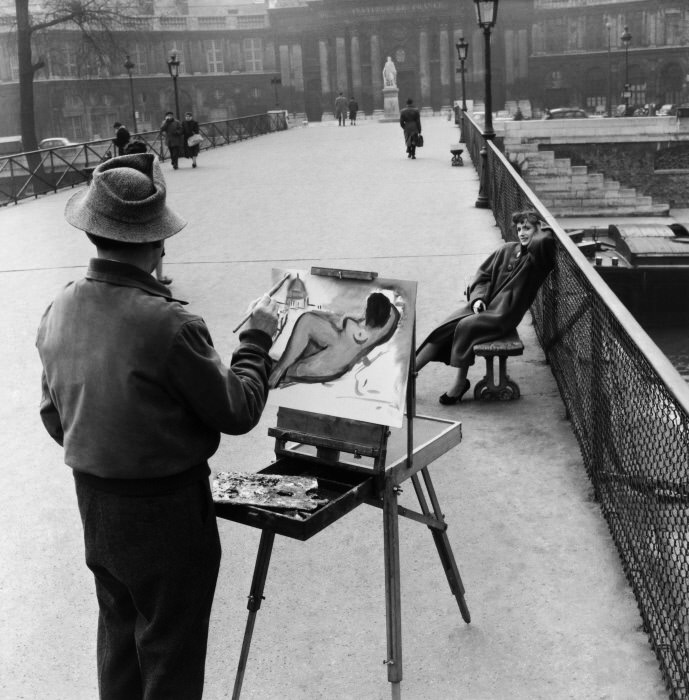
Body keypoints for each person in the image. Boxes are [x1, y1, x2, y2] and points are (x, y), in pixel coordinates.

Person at [36, 152, 278, 700]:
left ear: (93, 234)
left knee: (119, 640)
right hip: (168, 511)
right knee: (171, 653)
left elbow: (54, 415)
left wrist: (109, 443)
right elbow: (237, 411)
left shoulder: (59, 308)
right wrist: (256, 343)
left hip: (95, 505)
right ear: (155, 243)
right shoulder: (170, 324)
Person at [415, 210, 556, 404]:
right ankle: (409, 376)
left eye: (528, 228)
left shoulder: (537, 260)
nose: (522, 233)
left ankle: (457, 384)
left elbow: (546, 240)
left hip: (503, 315)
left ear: (538, 229)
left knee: (465, 327)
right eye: (519, 228)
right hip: (483, 307)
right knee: (444, 330)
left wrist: (541, 226)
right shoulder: (507, 249)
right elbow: (483, 276)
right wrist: (478, 299)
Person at [269, 291, 400, 388]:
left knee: (307, 320)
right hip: (335, 364)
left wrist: (345, 318)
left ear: (367, 312)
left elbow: (338, 323)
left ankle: (280, 369)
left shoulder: (352, 327)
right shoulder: (381, 331)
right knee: (316, 328)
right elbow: (393, 312)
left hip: (322, 365)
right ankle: (281, 369)